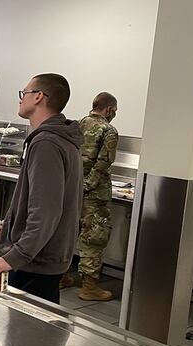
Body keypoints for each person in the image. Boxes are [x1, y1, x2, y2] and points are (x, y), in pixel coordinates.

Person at [0, 73, 83, 304]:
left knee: (27, 325)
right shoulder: (60, 139)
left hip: (35, 262)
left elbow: (46, 211)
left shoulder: (46, 142)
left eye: (24, 93)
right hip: (42, 258)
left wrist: (14, 257)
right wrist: (8, 231)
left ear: (38, 97)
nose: (20, 98)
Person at [73, 92, 119, 301]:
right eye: (114, 111)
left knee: (68, 232)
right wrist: (89, 184)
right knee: (94, 237)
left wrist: (77, 184)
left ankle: (59, 277)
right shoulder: (109, 130)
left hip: (72, 189)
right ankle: (89, 287)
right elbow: (104, 161)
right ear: (108, 109)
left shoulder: (78, 124)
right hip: (95, 193)